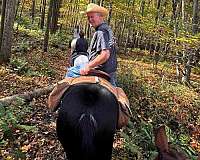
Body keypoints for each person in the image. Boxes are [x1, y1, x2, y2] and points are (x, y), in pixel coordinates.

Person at [80, 3, 117, 86]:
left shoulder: (101, 32)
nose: (90, 19)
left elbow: (105, 54)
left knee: (71, 72)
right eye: (88, 17)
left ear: (101, 17)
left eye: (92, 16)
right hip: (111, 71)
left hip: (101, 70)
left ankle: (58, 99)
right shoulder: (107, 29)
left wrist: (89, 66)